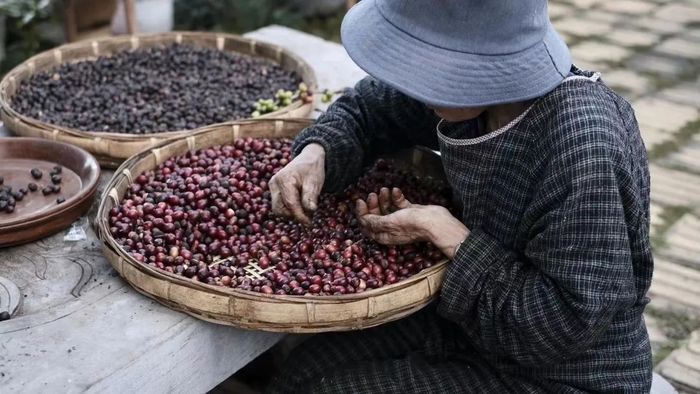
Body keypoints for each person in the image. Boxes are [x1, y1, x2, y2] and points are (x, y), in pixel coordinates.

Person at [266, 0, 653, 392]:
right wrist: (318, 152)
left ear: (483, 67)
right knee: (302, 370)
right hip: (475, 325)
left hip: (563, 376)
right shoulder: (478, 96)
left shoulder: (582, 143)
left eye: (427, 64)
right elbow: (368, 109)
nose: (413, 81)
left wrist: (446, 233)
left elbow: (563, 326)